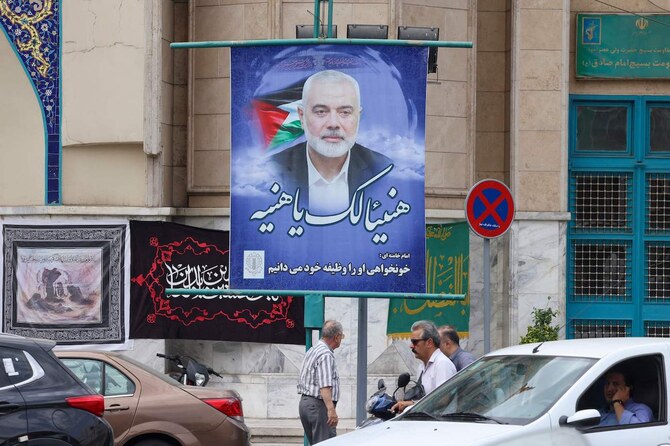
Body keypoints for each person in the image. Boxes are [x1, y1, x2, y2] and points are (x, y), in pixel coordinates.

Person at [268, 69, 393, 215]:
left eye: (345, 112)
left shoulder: (383, 171)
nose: (333, 123)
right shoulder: (270, 170)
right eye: (321, 111)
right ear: (302, 117)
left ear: (358, 117)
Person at [391, 320, 457, 414]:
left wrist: (411, 404)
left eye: (415, 342)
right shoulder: (421, 367)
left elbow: (443, 400)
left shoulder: (442, 364)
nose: (411, 346)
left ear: (429, 342)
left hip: (440, 424)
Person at [297, 320, 344, 444]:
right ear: (337, 337)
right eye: (342, 336)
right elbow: (324, 386)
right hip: (319, 406)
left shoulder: (313, 350)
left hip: (306, 404)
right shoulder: (325, 354)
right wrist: (331, 410)